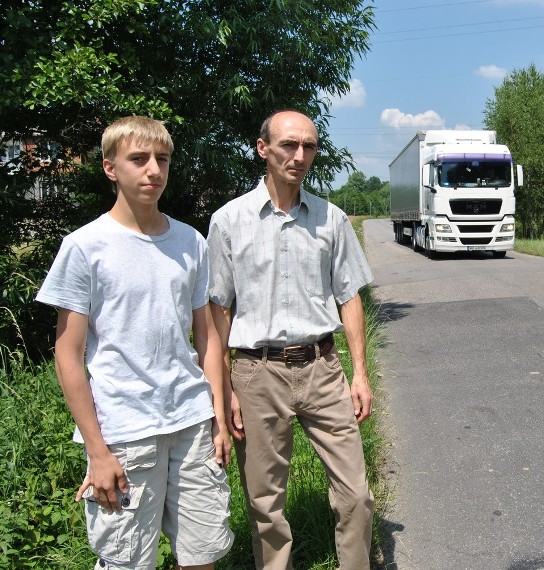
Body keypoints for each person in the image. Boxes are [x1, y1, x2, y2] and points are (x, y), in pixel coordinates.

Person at [36, 116, 233, 570]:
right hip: (124, 431)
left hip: (190, 420)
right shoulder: (85, 246)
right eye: (139, 159)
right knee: (128, 561)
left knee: (203, 554)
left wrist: (218, 418)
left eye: (161, 160)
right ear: (110, 168)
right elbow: (67, 354)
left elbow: (206, 337)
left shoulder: (190, 241)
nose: (153, 170)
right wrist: (97, 451)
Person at [207, 109, 375, 569]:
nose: (299, 156)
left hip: (323, 368)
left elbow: (349, 297)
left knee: (357, 494)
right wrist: (225, 387)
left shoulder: (332, 219)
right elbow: (218, 310)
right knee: (265, 505)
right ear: (263, 148)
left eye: (309, 147)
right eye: (288, 145)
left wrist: (359, 373)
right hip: (256, 374)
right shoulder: (228, 221)